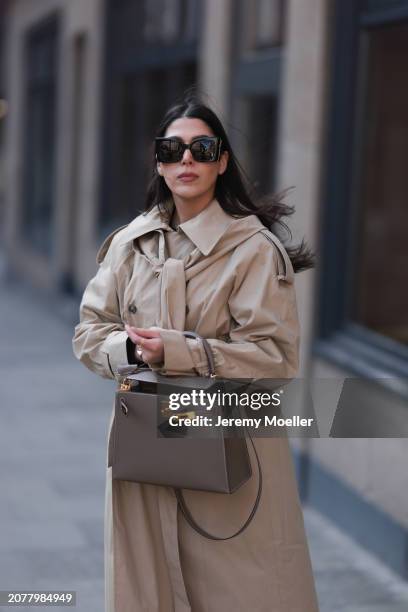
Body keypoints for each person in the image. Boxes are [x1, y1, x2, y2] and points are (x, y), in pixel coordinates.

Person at [72, 91, 320, 612]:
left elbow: (276, 356)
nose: (186, 160)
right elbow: (90, 332)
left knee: (240, 589)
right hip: (146, 442)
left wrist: (180, 353)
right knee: (149, 587)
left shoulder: (252, 250)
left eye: (202, 149)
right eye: (173, 149)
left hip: (231, 446)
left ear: (222, 161)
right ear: (158, 161)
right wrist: (134, 353)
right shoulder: (130, 244)